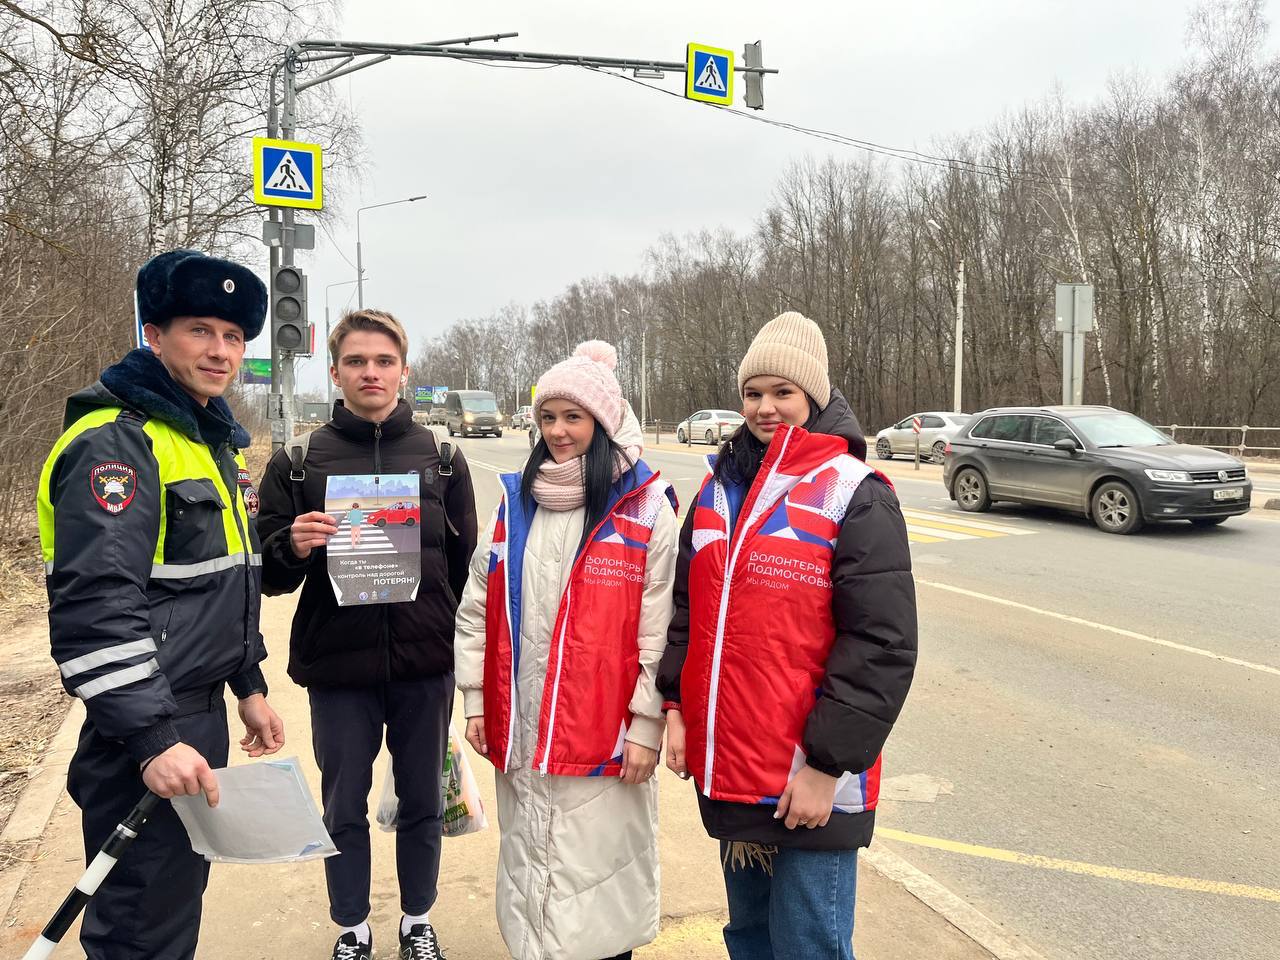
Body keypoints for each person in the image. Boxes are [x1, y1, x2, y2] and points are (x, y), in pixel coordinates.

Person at [37, 249, 285, 960]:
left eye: (234, 337)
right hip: (146, 730)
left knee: (172, 906)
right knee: (143, 928)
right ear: (154, 333)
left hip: (191, 716)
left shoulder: (202, 439)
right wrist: (150, 740)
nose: (220, 351)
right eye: (200, 330)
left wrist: (249, 684)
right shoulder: (118, 444)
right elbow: (96, 612)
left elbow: (212, 583)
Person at [657, 312, 918, 960]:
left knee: (808, 948)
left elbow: (881, 643)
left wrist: (827, 764)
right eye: (753, 393)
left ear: (815, 397)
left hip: (811, 781)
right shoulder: (720, 491)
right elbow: (687, 612)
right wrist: (677, 711)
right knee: (748, 939)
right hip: (734, 771)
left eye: (783, 393)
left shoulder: (854, 492)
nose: (766, 407)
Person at [255, 308, 477, 960]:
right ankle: (352, 927)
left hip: (424, 667)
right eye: (357, 361)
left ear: (404, 370)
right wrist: (291, 545)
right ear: (336, 371)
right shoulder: (298, 462)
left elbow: (467, 575)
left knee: (423, 805)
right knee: (343, 807)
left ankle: (417, 922)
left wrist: (470, 664)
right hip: (338, 670)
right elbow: (268, 577)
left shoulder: (441, 458)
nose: (371, 372)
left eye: (383, 361)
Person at [454, 341, 677, 960]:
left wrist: (647, 725)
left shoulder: (645, 508)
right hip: (525, 728)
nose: (557, 431)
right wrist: (476, 699)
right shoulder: (515, 503)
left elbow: (659, 629)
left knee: (597, 884)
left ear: (601, 423)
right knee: (531, 869)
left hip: (604, 733)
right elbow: (479, 604)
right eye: (547, 417)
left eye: (572, 417)